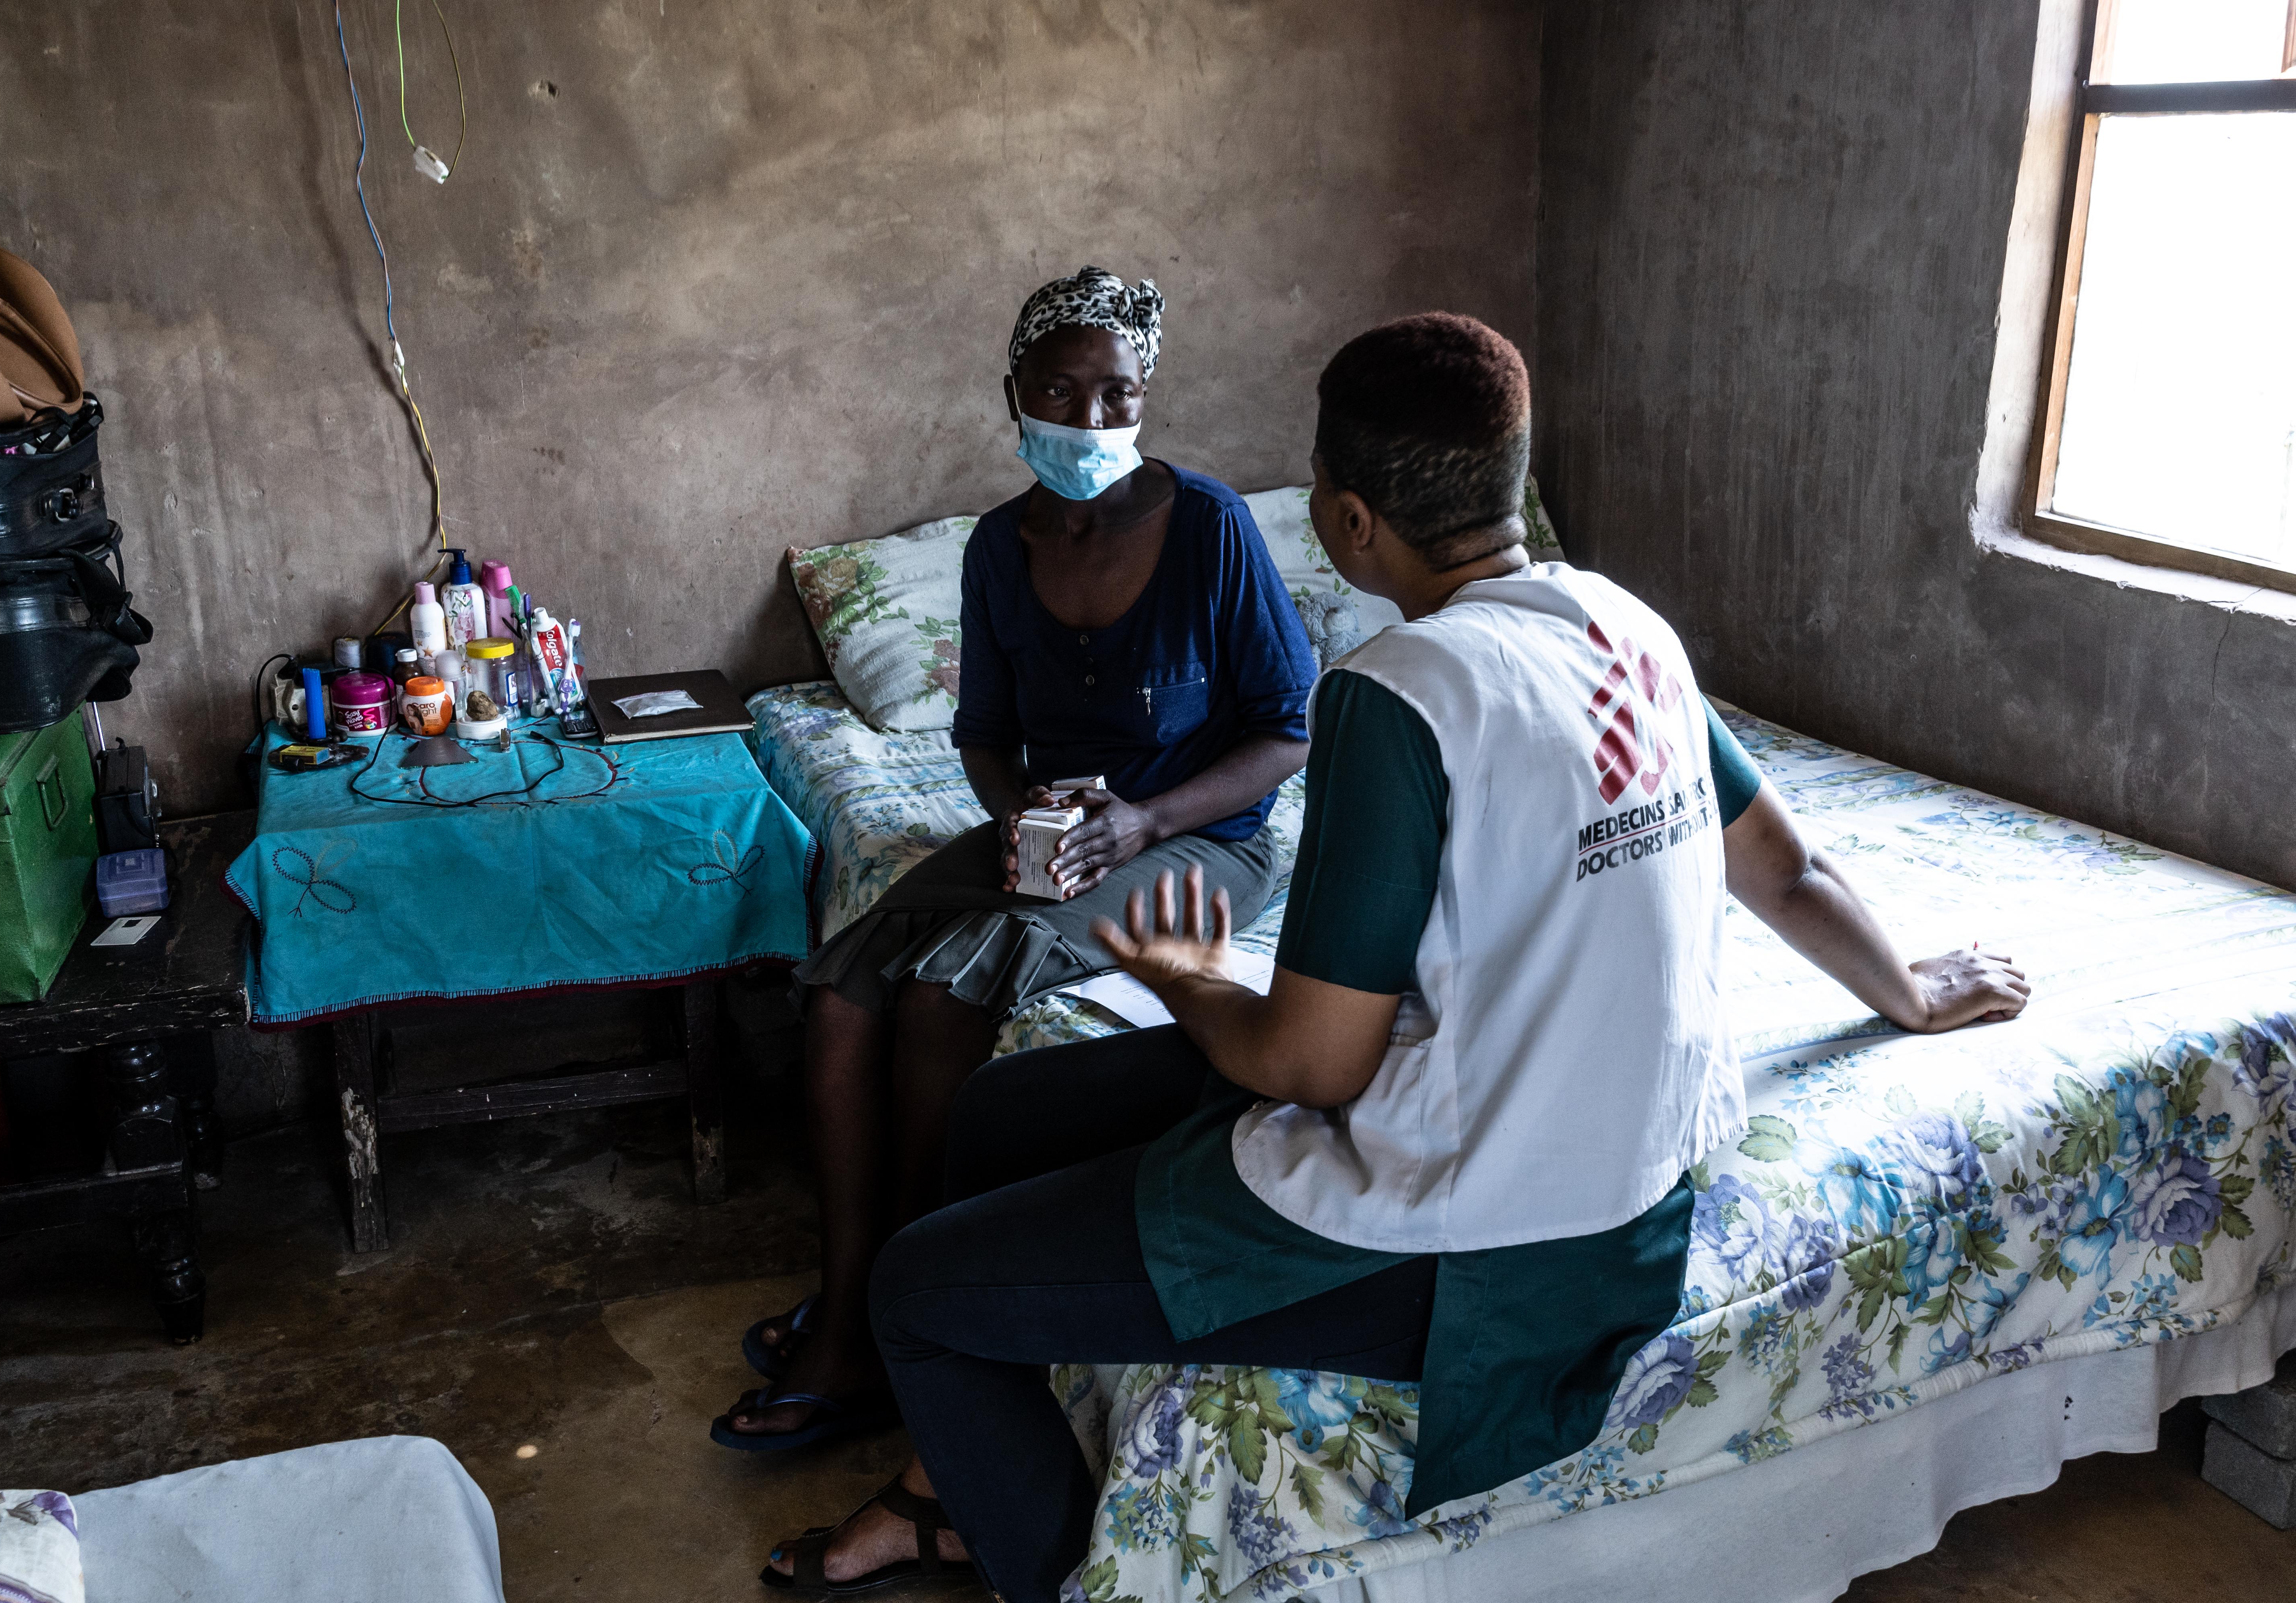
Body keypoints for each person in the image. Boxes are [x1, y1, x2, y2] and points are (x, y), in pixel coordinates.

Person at [758, 314, 2032, 1595]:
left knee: (918, 1291)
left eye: (1317, 484)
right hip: (1633, 1181)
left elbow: (1310, 1064)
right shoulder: (1629, 628)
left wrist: (1186, 979)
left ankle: (1023, 1557)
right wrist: (1910, 994)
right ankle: (949, 1488)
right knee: (998, 1117)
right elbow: (1792, 873)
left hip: (1481, 1244)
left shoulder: (1393, 694)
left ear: (1351, 522)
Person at [715, 267, 1317, 1450]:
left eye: (1116, 394)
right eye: (1061, 391)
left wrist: (1140, 825)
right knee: (842, 994)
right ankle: (850, 1308)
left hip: (1202, 837)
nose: (1090, 421)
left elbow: (1285, 733)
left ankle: (907, 1316)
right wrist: (1024, 813)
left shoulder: (1211, 531)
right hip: (1047, 830)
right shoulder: (1000, 548)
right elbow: (984, 736)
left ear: (1146, 395)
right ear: (1014, 393)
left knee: (947, 989)